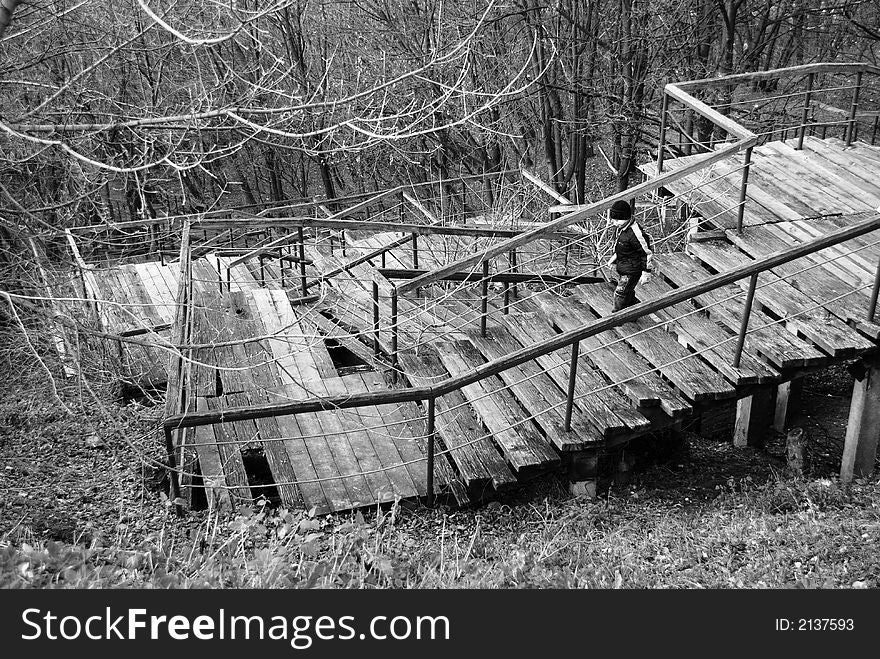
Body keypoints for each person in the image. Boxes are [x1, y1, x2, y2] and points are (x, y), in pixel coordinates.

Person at [606, 200, 653, 312]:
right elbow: (622, 248)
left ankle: (616, 316)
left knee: (620, 293)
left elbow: (646, 253)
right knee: (628, 291)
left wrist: (646, 272)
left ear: (626, 217)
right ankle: (634, 310)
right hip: (625, 266)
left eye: (617, 220)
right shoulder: (623, 229)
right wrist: (614, 259)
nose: (615, 223)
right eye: (613, 220)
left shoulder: (636, 233)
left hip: (632, 270)